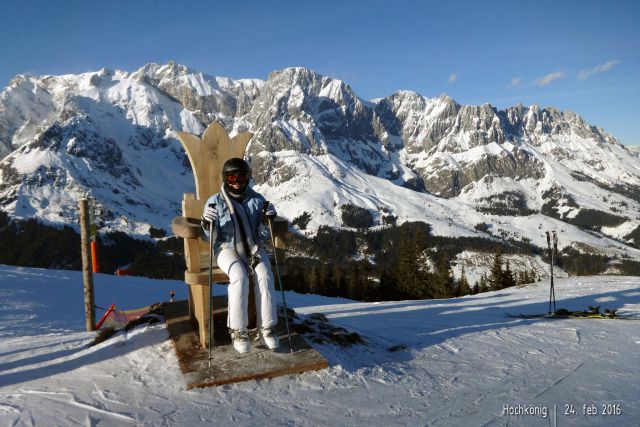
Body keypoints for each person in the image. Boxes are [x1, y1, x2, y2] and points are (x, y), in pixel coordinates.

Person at [201, 158, 279, 354]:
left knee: (264, 273)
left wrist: (267, 220)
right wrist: (206, 224)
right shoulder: (215, 202)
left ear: (248, 177)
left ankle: (267, 327)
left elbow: (261, 236)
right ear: (225, 179)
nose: (237, 181)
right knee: (239, 275)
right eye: (232, 177)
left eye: (241, 176)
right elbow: (209, 238)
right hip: (225, 247)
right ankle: (238, 330)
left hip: (252, 247)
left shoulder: (257, 200)